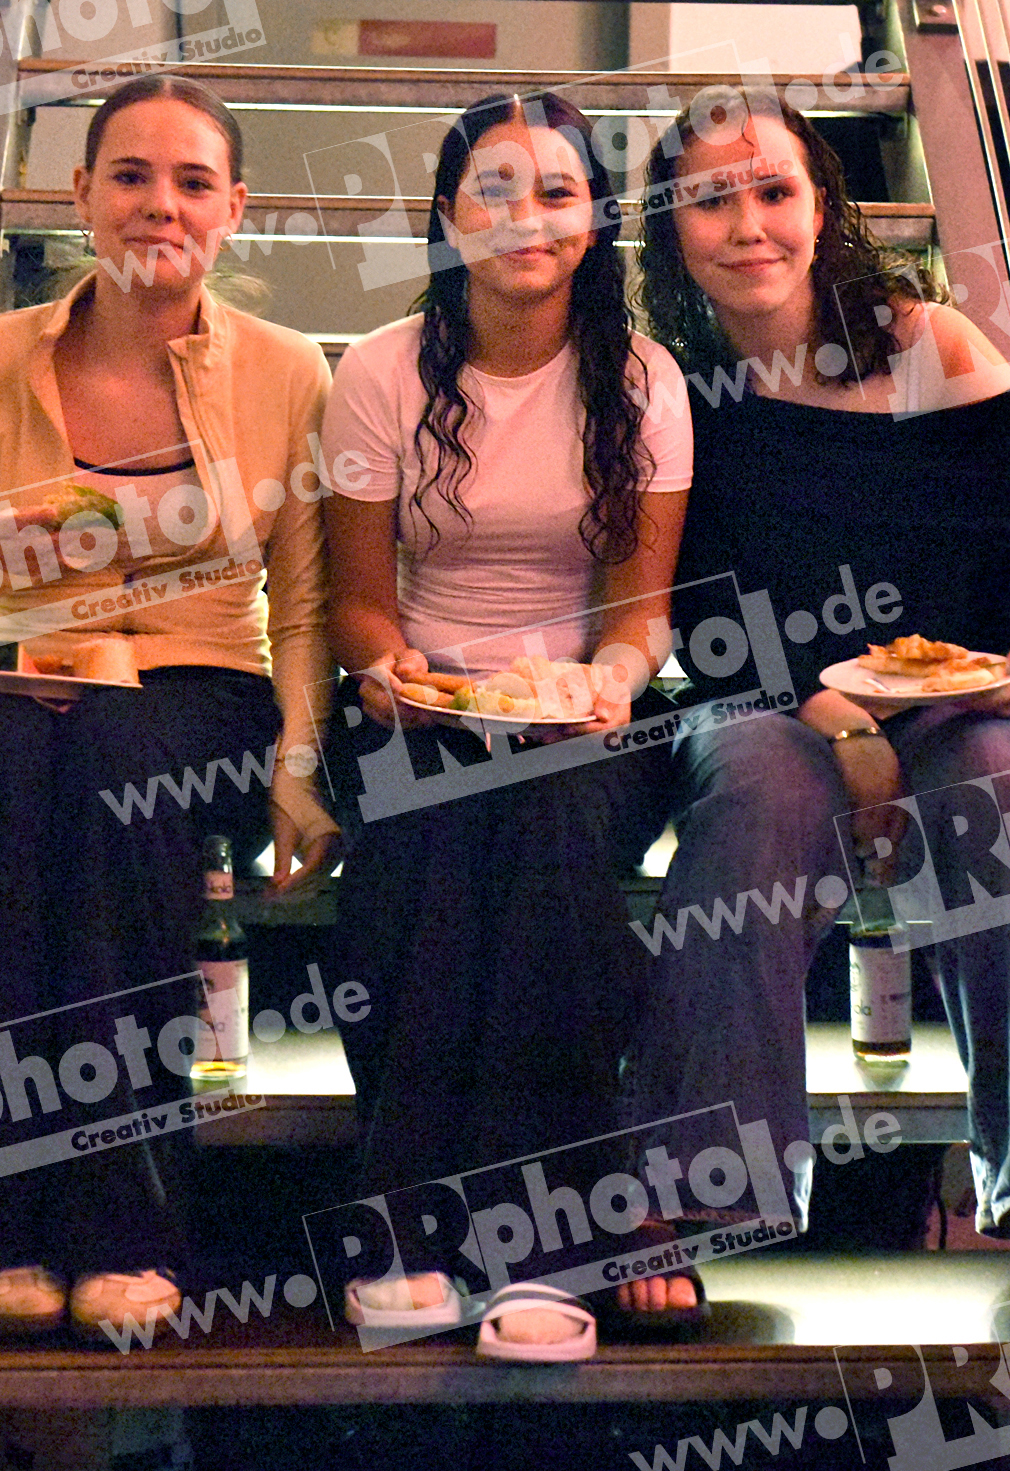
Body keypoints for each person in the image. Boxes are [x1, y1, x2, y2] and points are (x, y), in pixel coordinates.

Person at [632, 85, 1010, 1332]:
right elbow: (697, 609)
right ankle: (694, 1194)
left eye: (773, 191)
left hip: (957, 696)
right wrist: (833, 717)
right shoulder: (667, 384)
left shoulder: (931, 347)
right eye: (709, 200)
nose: (747, 224)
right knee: (754, 792)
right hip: (766, 701)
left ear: (821, 205)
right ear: (670, 227)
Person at [0, 74, 338, 1341]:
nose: (160, 204)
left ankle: (117, 1218)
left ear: (233, 208)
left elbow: (305, 604)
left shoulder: (285, 369)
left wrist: (298, 767)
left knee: (115, 758)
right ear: (80, 193)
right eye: (130, 175)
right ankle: (7, 1209)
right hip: (21, 677)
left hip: (203, 683)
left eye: (192, 182)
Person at [319, 92, 693, 1357]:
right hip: (415, 695)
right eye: (491, 187)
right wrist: (388, 669)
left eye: (555, 189)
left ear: (593, 221)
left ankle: (539, 1253)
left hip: (580, 706)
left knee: (550, 819)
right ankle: (405, 1233)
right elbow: (358, 601)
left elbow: (638, 614)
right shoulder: (376, 371)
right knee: (424, 826)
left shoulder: (644, 382)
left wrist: (604, 684)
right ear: (445, 216)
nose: (523, 215)